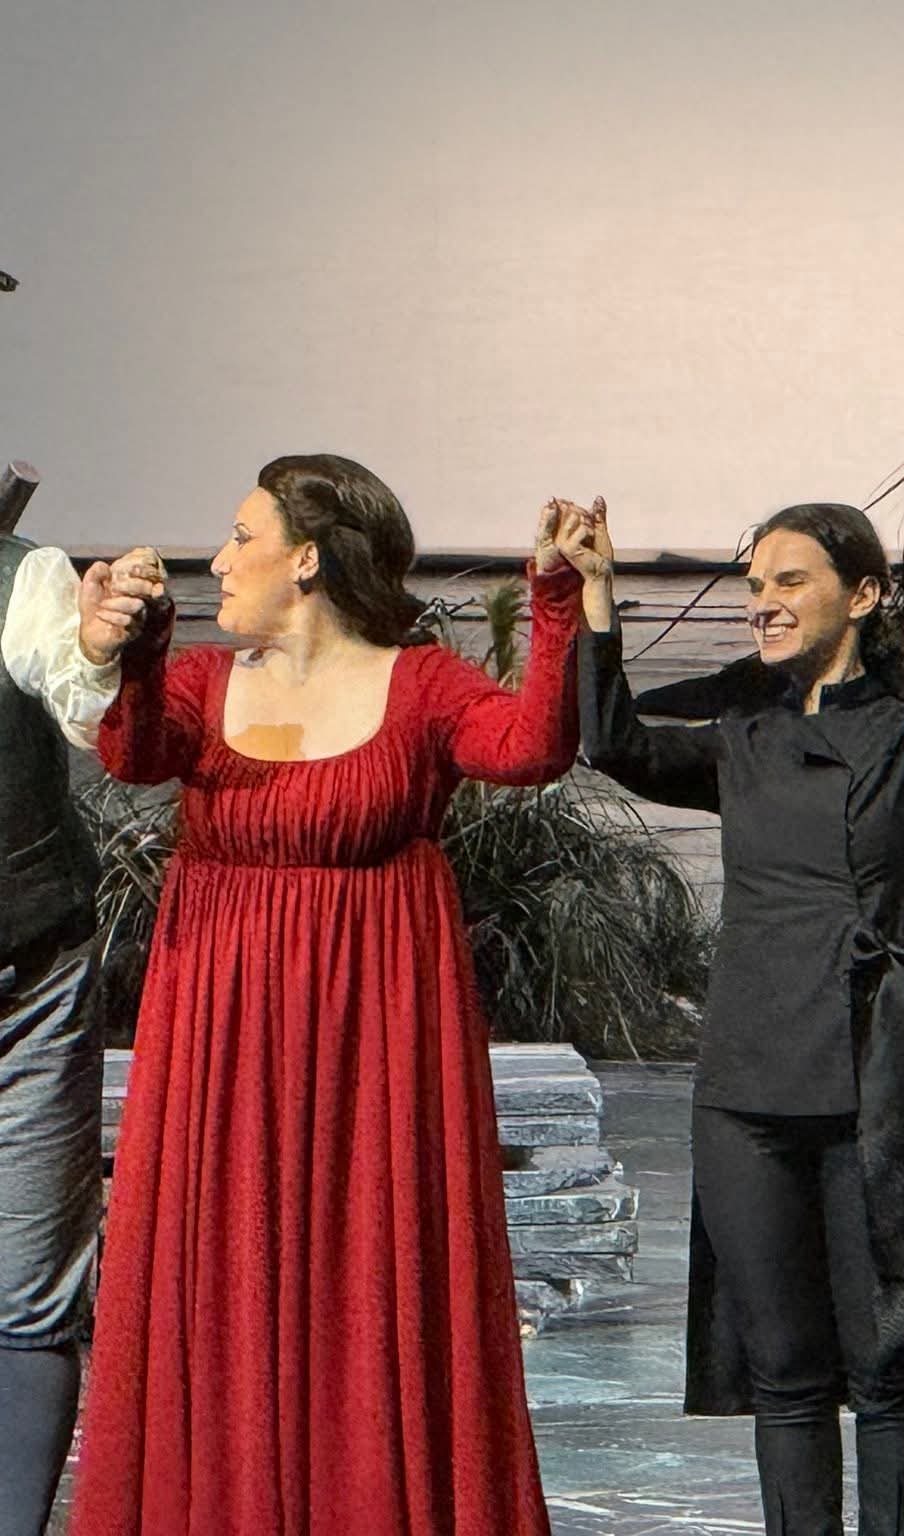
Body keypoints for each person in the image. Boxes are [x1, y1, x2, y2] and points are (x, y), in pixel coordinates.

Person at [70, 454, 586, 1535]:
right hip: (220, 1045)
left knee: (371, 1283)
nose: (219, 560)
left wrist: (552, 601)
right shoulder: (205, 683)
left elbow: (531, 749)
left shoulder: (422, 685)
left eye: (242, 536)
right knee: (223, 1281)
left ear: (306, 559)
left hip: (376, 1044)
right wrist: (139, 653)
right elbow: (135, 753)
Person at [568, 481, 904, 1536]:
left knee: (890, 1368)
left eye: (789, 581)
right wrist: (596, 592)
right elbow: (615, 743)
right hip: (748, 1083)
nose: (762, 601)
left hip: (873, 1074)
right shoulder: (744, 739)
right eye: (754, 584)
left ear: (861, 596)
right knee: (784, 1373)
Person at [0, 524, 158, 1536]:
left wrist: (97, 649)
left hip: (28, 983)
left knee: (27, 1297)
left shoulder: (21, 576)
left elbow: (74, 697)